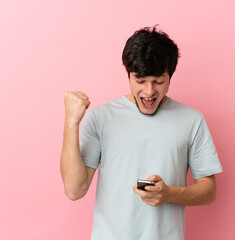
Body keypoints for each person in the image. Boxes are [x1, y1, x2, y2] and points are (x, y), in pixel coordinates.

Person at [60, 26, 223, 240]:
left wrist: (169, 194)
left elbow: (209, 190)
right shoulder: (100, 118)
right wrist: (71, 124)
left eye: (158, 81)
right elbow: (74, 190)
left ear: (170, 77)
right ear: (128, 75)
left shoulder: (192, 120)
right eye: (140, 81)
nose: (148, 92)